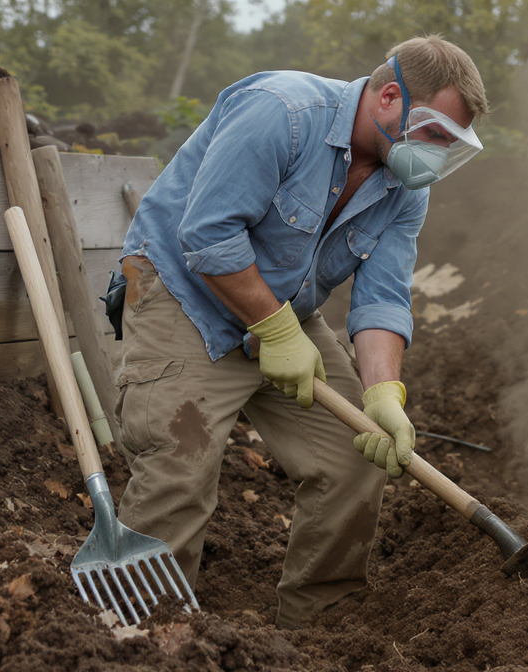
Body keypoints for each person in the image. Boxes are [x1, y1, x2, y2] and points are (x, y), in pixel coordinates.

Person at [107, 34, 487, 629]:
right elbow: (207, 233)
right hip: (185, 299)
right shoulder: (282, 112)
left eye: (448, 144)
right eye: (434, 134)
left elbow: (383, 297)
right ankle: (138, 630)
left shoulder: (403, 187)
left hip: (283, 312)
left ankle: (321, 628)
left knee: (355, 457)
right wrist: (276, 330)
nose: (434, 155)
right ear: (390, 97)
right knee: (181, 460)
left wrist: (384, 394)